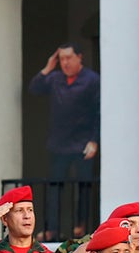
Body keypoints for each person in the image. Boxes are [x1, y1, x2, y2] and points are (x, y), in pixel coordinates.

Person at [29, 42, 100, 234]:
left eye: (69, 58)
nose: (65, 63)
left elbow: (98, 111)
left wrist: (94, 140)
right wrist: (48, 67)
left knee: (83, 186)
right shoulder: (55, 78)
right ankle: (51, 228)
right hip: (58, 143)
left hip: (82, 143)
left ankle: (81, 225)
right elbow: (34, 88)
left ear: (79, 57)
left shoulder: (92, 80)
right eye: (62, 59)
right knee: (54, 188)